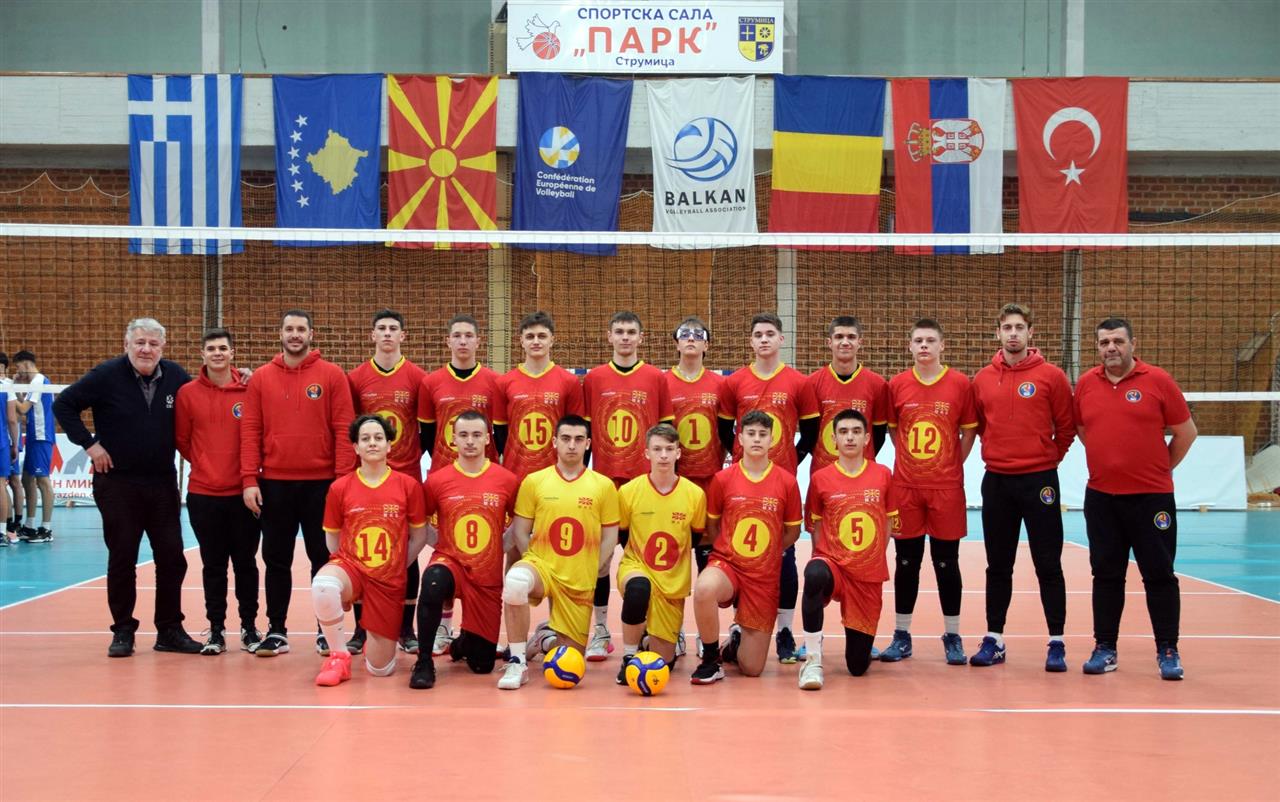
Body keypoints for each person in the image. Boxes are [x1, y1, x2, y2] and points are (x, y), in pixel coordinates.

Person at [52, 318, 202, 657]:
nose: (146, 349)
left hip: (161, 482)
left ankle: (169, 630)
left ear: (163, 348)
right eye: (140, 343)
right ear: (127, 345)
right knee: (122, 557)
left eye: (153, 343)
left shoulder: (176, 376)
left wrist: (241, 379)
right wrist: (90, 445)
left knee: (172, 557)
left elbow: (205, 396)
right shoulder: (106, 375)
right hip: (118, 483)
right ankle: (123, 631)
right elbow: (63, 404)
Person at [1074, 317, 1197, 680]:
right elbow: (1082, 428)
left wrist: (1160, 468)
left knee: (1159, 574)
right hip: (1102, 499)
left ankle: (1168, 650)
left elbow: (1186, 432)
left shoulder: (1158, 380)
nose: (1111, 348)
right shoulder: (1086, 384)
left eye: (1117, 341)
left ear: (1132, 344)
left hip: (1151, 500)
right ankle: (1105, 648)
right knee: (1106, 575)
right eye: (1104, 342)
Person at [241, 309, 355, 658]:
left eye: (301, 329)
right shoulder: (262, 378)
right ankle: (276, 630)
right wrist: (249, 478)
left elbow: (344, 429)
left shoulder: (332, 375)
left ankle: (327, 632)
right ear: (280, 334)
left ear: (311, 334)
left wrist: (342, 481)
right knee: (276, 559)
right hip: (275, 484)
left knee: (325, 559)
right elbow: (250, 430)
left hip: (322, 485)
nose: (295, 334)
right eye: (289, 329)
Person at [970, 304, 1075, 671]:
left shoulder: (1052, 376)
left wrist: (1047, 459)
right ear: (997, 333)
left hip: (1040, 481)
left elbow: (1066, 427)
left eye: (1019, 327)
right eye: (1007, 328)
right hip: (997, 481)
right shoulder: (983, 378)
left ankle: (1057, 642)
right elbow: (980, 425)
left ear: (1031, 333)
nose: (1013, 333)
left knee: (1048, 563)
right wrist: (1001, 451)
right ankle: (994, 639)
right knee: (998, 564)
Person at [717, 312, 818, 663]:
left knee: (784, 555)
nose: (764, 339)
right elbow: (724, 428)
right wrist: (739, 460)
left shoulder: (798, 382)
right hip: (743, 484)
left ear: (781, 339)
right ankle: (739, 625)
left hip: (780, 483)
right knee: (742, 553)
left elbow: (811, 431)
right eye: (758, 334)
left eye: (770, 334)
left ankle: (785, 630)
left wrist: (791, 461)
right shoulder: (734, 382)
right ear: (750, 341)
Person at [496, 415, 619, 690]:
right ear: (554, 442)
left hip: (578, 576)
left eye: (578, 439)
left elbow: (610, 536)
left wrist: (594, 568)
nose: (572, 445)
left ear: (588, 444)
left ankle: (544, 640)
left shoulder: (603, 485)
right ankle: (517, 663)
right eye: (565, 439)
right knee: (516, 582)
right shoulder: (535, 481)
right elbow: (520, 532)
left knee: (570, 663)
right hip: (542, 567)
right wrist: (534, 560)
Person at [882, 318, 978, 665]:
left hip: (945, 488)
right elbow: (894, 431)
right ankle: (901, 635)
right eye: (919, 340)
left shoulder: (960, 384)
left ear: (942, 346)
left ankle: (952, 635)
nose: (924, 346)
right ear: (910, 346)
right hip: (906, 487)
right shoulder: (897, 384)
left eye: (930, 340)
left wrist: (950, 462)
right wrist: (912, 462)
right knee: (906, 562)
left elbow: (969, 432)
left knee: (946, 562)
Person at [312, 415, 430, 687]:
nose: (372, 443)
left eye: (378, 438)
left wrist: (396, 566)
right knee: (324, 585)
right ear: (356, 447)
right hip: (352, 568)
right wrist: (345, 575)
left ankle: (375, 646)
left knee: (380, 669)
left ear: (389, 445)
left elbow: (419, 537)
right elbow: (332, 539)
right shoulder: (340, 487)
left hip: (387, 579)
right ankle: (338, 656)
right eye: (365, 439)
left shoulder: (407, 486)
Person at [583, 311, 674, 662]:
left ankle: (657, 628)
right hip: (605, 486)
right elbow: (585, 436)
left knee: (649, 561)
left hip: (643, 488)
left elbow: (666, 436)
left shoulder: (655, 378)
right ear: (609, 336)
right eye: (618, 331)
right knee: (601, 563)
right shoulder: (593, 378)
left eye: (631, 331)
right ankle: (601, 629)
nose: (624, 337)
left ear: (641, 337)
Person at [690, 411, 803, 684]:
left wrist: (767, 553)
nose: (756, 439)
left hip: (762, 576)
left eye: (763, 434)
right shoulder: (723, 479)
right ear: (740, 438)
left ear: (772, 439)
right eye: (751, 434)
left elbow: (792, 532)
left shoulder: (786, 482)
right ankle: (711, 660)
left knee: (752, 669)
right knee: (704, 588)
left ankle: (735, 643)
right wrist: (731, 550)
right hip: (728, 564)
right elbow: (713, 528)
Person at [411, 411, 519, 689]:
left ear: (487, 439)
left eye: (476, 435)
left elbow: (521, 522)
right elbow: (420, 522)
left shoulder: (506, 480)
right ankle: (424, 661)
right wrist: (442, 543)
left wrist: (499, 547)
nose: (470, 441)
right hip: (451, 562)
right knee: (433, 582)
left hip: (486, 575)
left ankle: (461, 644)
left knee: (482, 665)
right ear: (453, 439)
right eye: (463, 435)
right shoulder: (437, 480)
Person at [417, 313, 501, 656]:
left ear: (479, 341)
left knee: (481, 553)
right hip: (446, 482)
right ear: (448, 341)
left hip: (484, 480)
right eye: (457, 335)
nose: (463, 341)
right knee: (446, 552)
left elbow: (501, 432)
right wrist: (444, 469)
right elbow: (426, 434)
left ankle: (474, 629)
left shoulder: (494, 382)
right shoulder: (431, 382)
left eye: (469, 335)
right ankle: (442, 626)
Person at [174, 328, 262, 654]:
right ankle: (215, 631)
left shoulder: (250, 389)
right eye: (211, 348)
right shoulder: (188, 394)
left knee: (246, 564)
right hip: (204, 494)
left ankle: (250, 628)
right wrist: (206, 463)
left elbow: (258, 435)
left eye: (223, 348)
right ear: (202, 354)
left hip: (244, 495)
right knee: (213, 566)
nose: (217, 353)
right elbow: (182, 440)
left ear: (232, 353)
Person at [346, 310, 428, 656]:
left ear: (403, 336)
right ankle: (361, 628)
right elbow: (351, 428)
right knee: (362, 549)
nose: (388, 334)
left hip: (406, 476)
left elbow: (427, 428)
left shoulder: (418, 377)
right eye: (381, 328)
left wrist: (410, 462)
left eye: (394, 328)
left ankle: (406, 628)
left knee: (408, 552)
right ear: (372, 335)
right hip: (366, 479)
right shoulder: (356, 378)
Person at [799, 410, 899, 690]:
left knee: (857, 667)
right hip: (834, 565)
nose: (850, 437)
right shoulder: (821, 478)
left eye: (856, 431)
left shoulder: (883, 475)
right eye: (843, 432)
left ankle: (859, 647)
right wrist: (822, 558)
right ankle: (813, 660)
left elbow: (888, 522)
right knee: (814, 574)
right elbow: (817, 525)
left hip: (866, 574)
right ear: (834, 439)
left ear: (867, 438)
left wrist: (872, 556)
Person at [614, 423, 706, 684]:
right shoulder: (628, 492)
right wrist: (639, 559)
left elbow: (694, 539)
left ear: (678, 452)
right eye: (657, 449)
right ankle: (629, 657)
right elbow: (623, 535)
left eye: (669, 449)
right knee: (638, 589)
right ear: (647, 453)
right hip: (637, 566)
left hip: (672, 582)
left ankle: (649, 635)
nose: (663, 455)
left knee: (662, 663)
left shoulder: (694, 495)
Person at [664, 316, 726, 573]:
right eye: (685, 334)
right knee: (672, 545)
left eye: (699, 335)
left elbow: (727, 430)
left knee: (707, 550)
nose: (691, 338)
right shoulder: (663, 382)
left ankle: (706, 595)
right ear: (676, 343)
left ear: (707, 345)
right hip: (675, 479)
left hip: (710, 478)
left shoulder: (721, 385)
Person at [492, 311, 585, 482]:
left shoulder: (569, 381)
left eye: (542, 336)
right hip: (516, 474)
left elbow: (576, 432)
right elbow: (500, 433)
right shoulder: (503, 382)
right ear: (521, 341)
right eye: (530, 336)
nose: (536, 341)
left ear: (552, 340)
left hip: (557, 475)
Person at [806, 316, 889, 474]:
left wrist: (858, 458)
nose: (845, 342)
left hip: (863, 473)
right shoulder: (811, 383)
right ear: (829, 342)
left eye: (851, 337)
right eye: (839, 337)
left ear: (860, 342)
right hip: (824, 472)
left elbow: (878, 435)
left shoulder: (877, 384)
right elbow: (809, 434)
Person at [12, 350, 55, 543]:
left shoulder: (38, 381)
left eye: (18, 367)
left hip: (41, 436)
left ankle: (46, 529)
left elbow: (22, 409)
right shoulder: (34, 383)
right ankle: (29, 526)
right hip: (32, 436)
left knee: (42, 481)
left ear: (26, 363)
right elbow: (24, 405)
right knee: (27, 479)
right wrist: (16, 389)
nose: (18, 371)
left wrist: (8, 390)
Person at [0, 367, 16, 547]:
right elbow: (12, 420)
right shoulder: (6, 386)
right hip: (2, 442)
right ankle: (2, 531)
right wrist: (15, 444)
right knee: (1, 486)